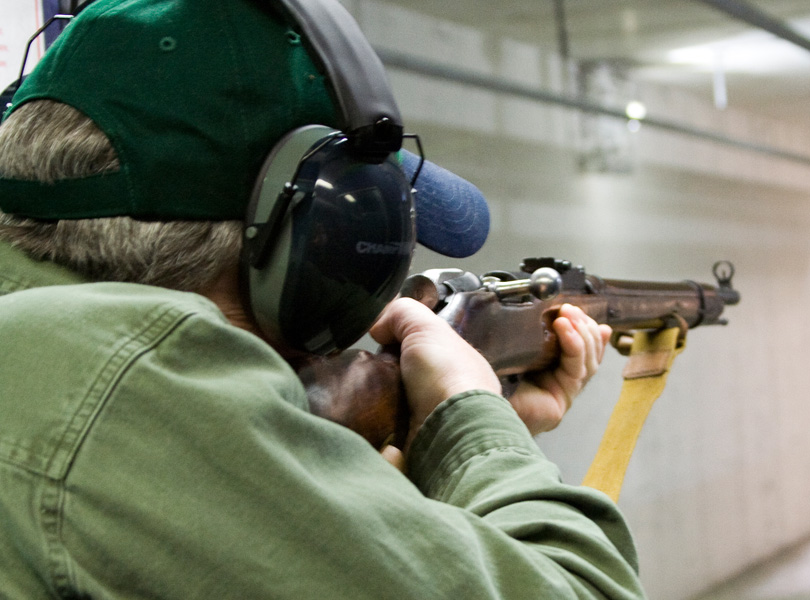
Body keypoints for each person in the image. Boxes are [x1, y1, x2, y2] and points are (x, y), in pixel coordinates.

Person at [0, 0, 645, 598]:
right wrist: (471, 420)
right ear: (298, 254)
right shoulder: (130, 383)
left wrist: (430, 449)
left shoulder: (51, 351)